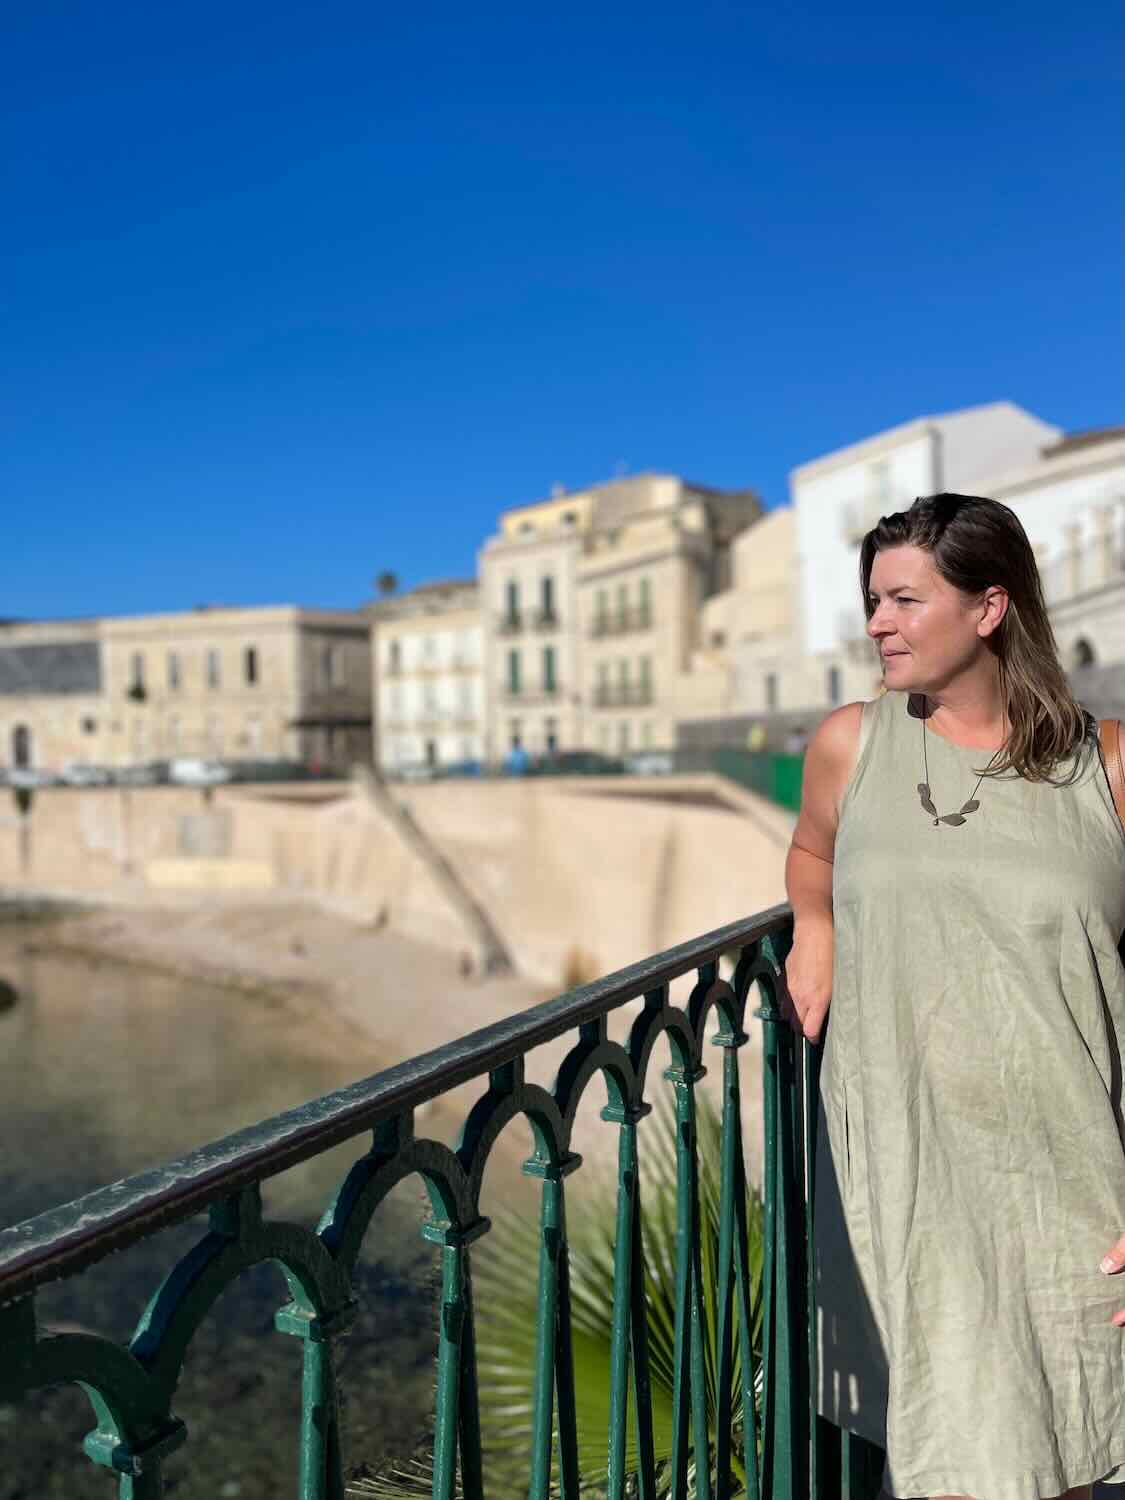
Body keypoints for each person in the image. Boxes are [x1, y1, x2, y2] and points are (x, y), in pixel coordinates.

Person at [784, 492, 1125, 1500]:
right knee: (955, 1455)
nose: (875, 622)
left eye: (902, 599)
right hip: (908, 1168)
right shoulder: (852, 743)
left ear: (989, 607)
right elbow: (813, 850)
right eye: (872, 600)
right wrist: (818, 923)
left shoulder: (1106, 765)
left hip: (1068, 1176)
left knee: (1053, 1452)